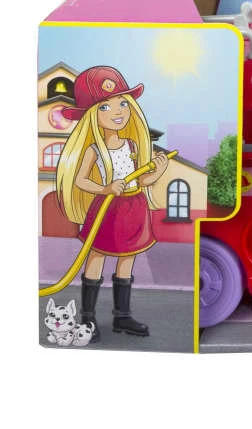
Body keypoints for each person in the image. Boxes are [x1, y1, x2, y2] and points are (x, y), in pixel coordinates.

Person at [56, 66, 168, 341]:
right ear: (92, 115)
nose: (118, 112)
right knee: (97, 255)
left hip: (134, 206)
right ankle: (88, 317)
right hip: (108, 208)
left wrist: (158, 173)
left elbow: (141, 179)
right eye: (106, 106)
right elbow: (81, 180)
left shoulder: (132, 146)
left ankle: (122, 316)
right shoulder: (95, 150)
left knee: (127, 258)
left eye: (122, 103)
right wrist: (105, 188)